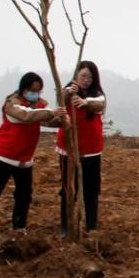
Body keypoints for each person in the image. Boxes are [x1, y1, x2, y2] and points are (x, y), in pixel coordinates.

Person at [0, 72, 66, 244]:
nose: (35, 94)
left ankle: (19, 228)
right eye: (32, 90)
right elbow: (27, 116)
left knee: (24, 195)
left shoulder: (40, 105)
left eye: (38, 91)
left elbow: (46, 120)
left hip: (24, 159)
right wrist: (51, 112)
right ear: (23, 89)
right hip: (1, 156)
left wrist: (62, 119)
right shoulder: (12, 104)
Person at [57, 61, 107, 237]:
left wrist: (84, 102)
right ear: (76, 76)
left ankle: (91, 227)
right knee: (68, 190)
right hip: (69, 150)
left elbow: (98, 104)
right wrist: (68, 94)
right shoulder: (67, 92)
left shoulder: (97, 96)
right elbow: (59, 104)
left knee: (91, 191)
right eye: (83, 76)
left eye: (90, 77)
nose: (86, 80)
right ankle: (66, 227)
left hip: (91, 151)